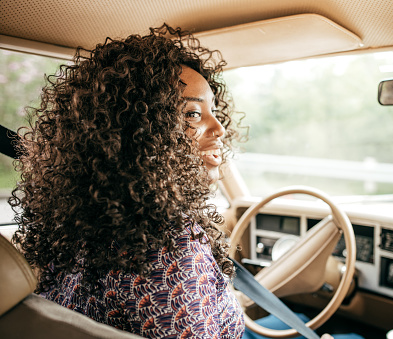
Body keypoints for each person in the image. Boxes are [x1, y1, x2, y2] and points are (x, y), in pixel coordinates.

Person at [10, 24, 245, 338]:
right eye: (191, 113)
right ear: (137, 132)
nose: (218, 128)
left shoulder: (80, 223)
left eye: (213, 111)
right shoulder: (170, 248)